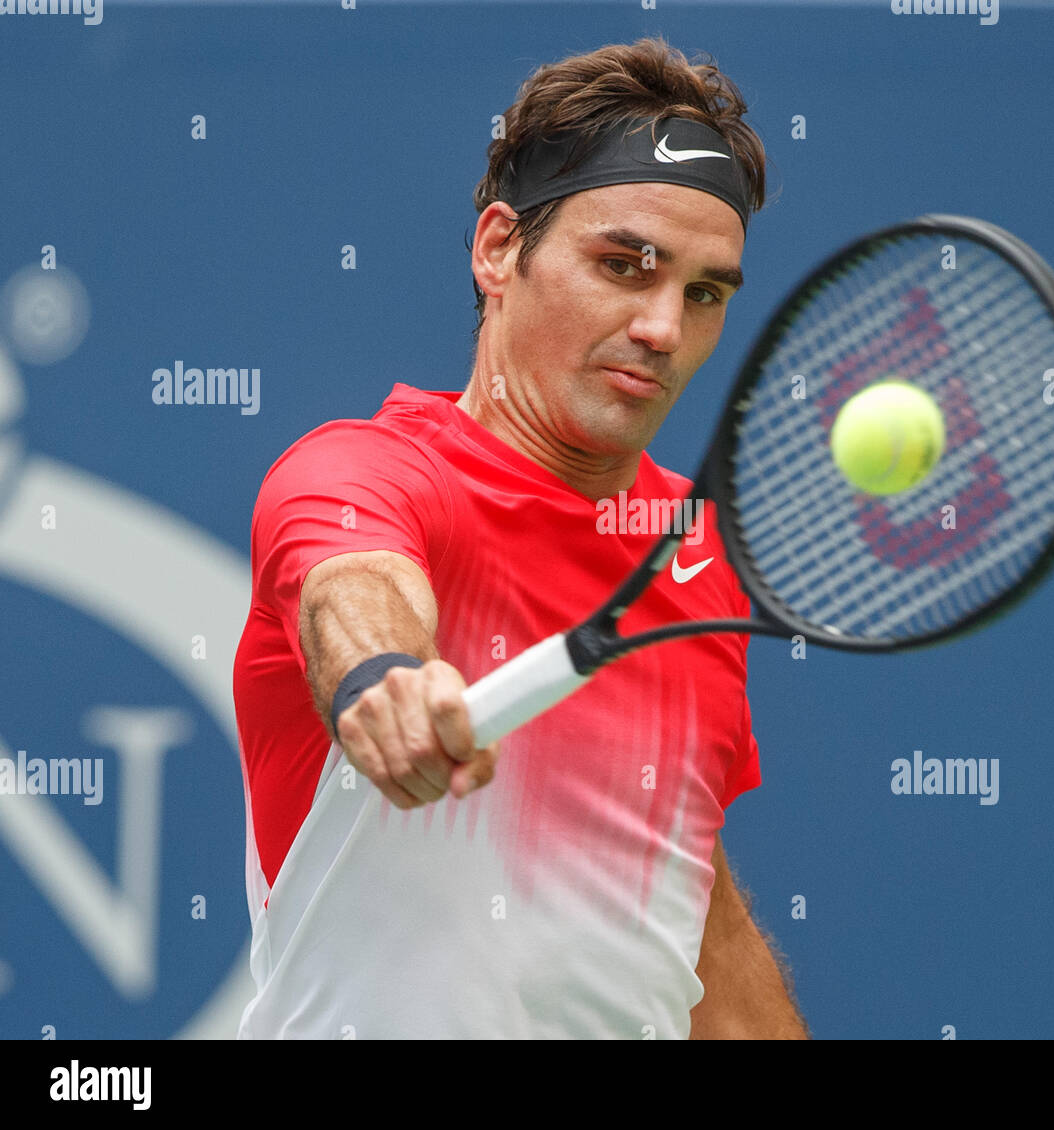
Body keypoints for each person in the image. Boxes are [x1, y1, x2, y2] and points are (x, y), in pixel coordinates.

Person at [232, 36, 808, 1040]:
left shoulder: (693, 553)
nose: (664, 326)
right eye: (624, 265)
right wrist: (388, 683)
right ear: (499, 248)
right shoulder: (363, 470)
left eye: (704, 291)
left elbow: (691, 917)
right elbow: (350, 585)